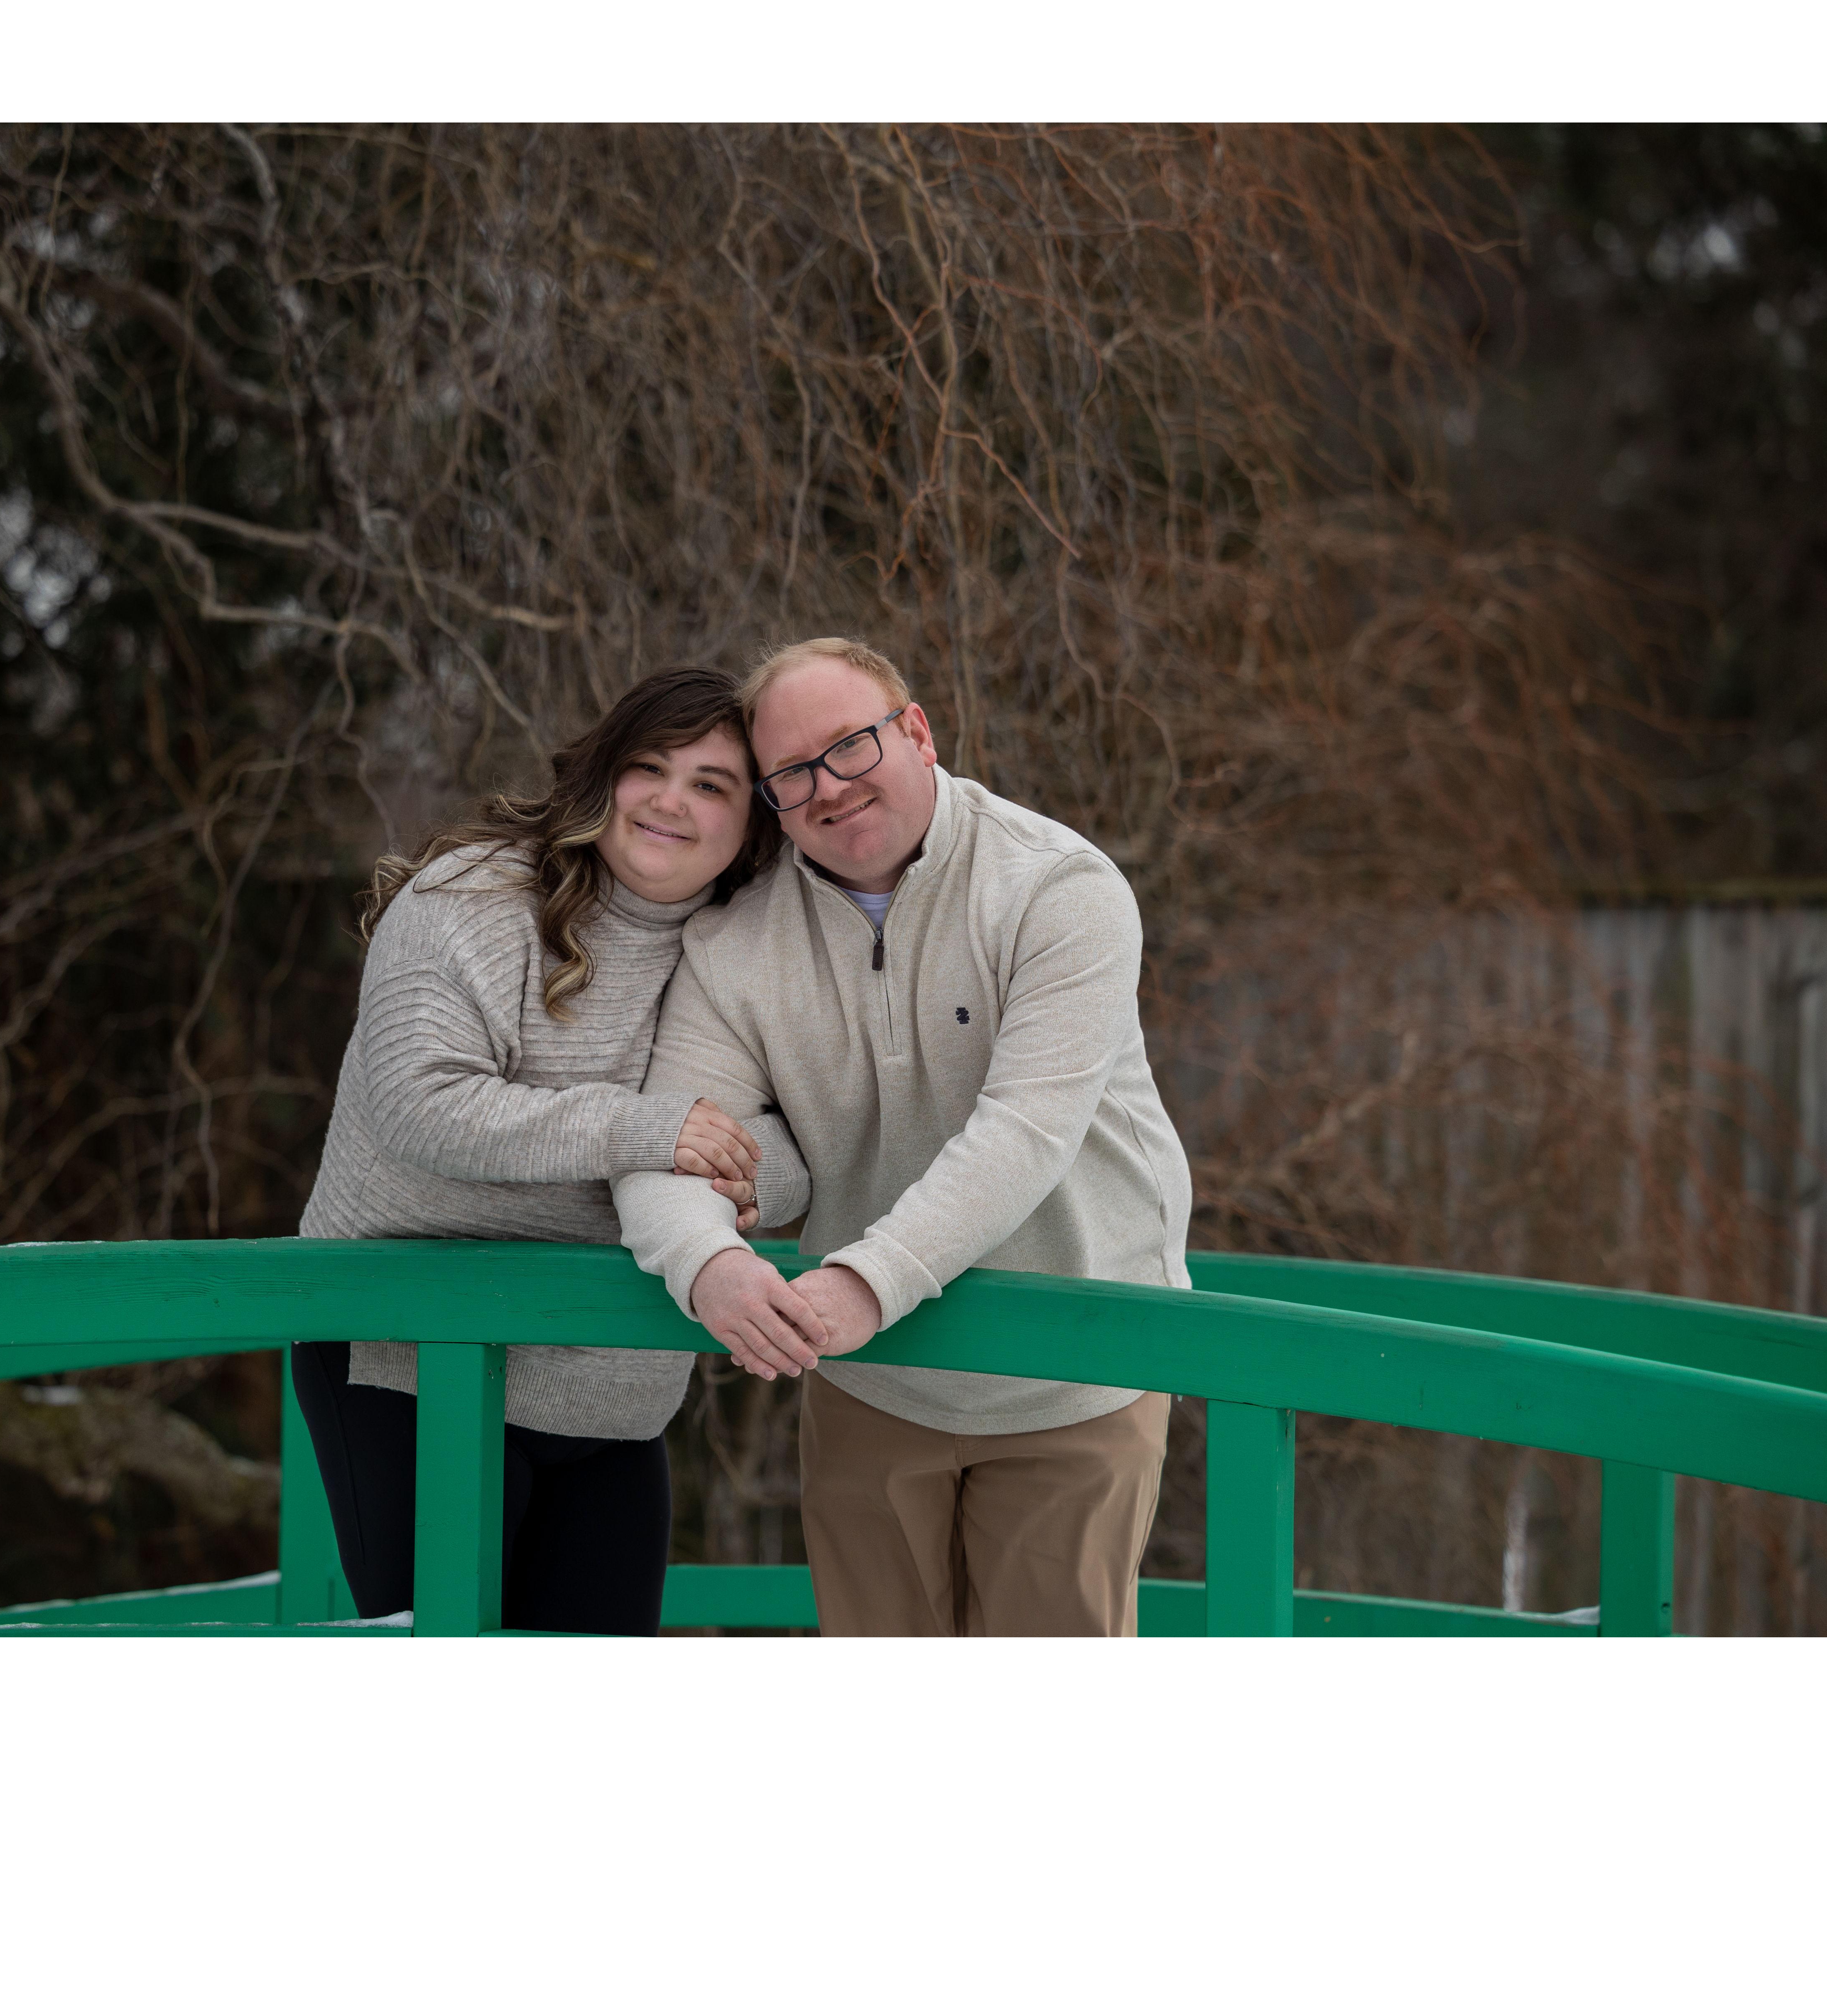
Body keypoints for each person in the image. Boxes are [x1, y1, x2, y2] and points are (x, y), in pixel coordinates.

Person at [612, 637, 1193, 1636]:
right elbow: (673, 1143)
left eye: (850, 746)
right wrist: (709, 1263)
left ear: (916, 731)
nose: (829, 788)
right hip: (869, 1384)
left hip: (1074, 1371)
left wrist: (865, 1281)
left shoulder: (1058, 888)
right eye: (792, 774)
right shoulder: (732, 945)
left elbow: (1026, 1130)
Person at [292, 666, 811, 1635]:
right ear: (603, 773)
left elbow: (805, 1145)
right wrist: (651, 1131)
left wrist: (739, 1182)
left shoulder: (752, 954)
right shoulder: (472, 897)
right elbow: (419, 1105)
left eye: (711, 784)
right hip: (411, 1358)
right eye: (649, 767)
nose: (670, 801)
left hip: (618, 1380)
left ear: (755, 823)